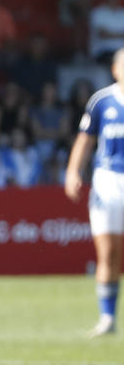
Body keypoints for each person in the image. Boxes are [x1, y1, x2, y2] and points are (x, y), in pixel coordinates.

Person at [64, 48, 124, 337]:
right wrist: (74, 170)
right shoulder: (101, 101)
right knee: (108, 253)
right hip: (108, 182)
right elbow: (85, 140)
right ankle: (108, 318)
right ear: (115, 70)